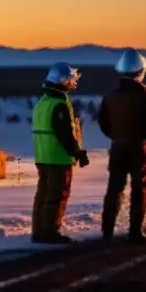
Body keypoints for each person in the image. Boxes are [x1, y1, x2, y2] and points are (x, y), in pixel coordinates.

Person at [98, 48, 146, 243]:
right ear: (141, 70)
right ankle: (135, 232)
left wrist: (116, 136)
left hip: (118, 147)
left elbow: (103, 121)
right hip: (139, 147)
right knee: (139, 188)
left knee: (114, 188)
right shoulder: (145, 95)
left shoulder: (110, 96)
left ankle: (107, 231)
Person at [31, 62, 89, 244]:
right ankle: (49, 232)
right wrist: (77, 153)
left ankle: (39, 230)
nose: (73, 83)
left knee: (43, 194)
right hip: (58, 158)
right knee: (57, 195)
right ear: (64, 81)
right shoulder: (59, 104)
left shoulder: (43, 102)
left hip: (42, 156)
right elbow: (64, 134)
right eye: (71, 79)